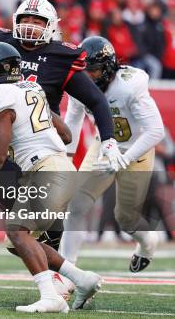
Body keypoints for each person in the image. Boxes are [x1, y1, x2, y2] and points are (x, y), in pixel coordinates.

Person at [0, 0, 123, 297]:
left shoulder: (60, 57)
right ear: (14, 21)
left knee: (32, 230)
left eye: (38, 21)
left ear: (51, 26)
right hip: (12, 146)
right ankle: (74, 280)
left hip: (36, 147)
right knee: (17, 232)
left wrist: (107, 139)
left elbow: (94, 101)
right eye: (26, 19)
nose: (30, 26)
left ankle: (55, 289)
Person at [0, 42, 102, 313]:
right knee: (18, 240)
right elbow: (65, 134)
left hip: (45, 169)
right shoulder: (32, 88)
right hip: (59, 166)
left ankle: (50, 296)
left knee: (17, 231)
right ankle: (82, 279)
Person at [60, 36, 165, 273]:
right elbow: (73, 119)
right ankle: (66, 274)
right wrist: (65, 157)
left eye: (93, 71)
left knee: (125, 218)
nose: (88, 77)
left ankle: (148, 243)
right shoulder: (79, 84)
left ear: (108, 68)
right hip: (103, 146)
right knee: (76, 203)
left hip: (135, 150)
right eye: (84, 71)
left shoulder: (128, 85)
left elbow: (155, 130)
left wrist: (124, 159)